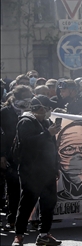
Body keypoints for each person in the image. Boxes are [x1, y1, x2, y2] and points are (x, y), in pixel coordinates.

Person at [12, 95, 62, 246]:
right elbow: (27, 143)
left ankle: (44, 234)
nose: (49, 111)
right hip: (31, 171)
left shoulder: (46, 122)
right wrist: (48, 133)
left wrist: (56, 165)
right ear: (40, 108)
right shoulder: (26, 122)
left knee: (48, 203)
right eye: (47, 108)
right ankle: (19, 235)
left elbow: (52, 147)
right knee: (27, 203)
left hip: (47, 170)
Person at [1, 85, 34, 231]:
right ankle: (12, 217)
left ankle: (26, 218)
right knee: (13, 188)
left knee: (27, 188)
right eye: (25, 97)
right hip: (10, 155)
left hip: (26, 155)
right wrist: (2, 155)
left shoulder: (30, 112)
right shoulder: (5, 112)